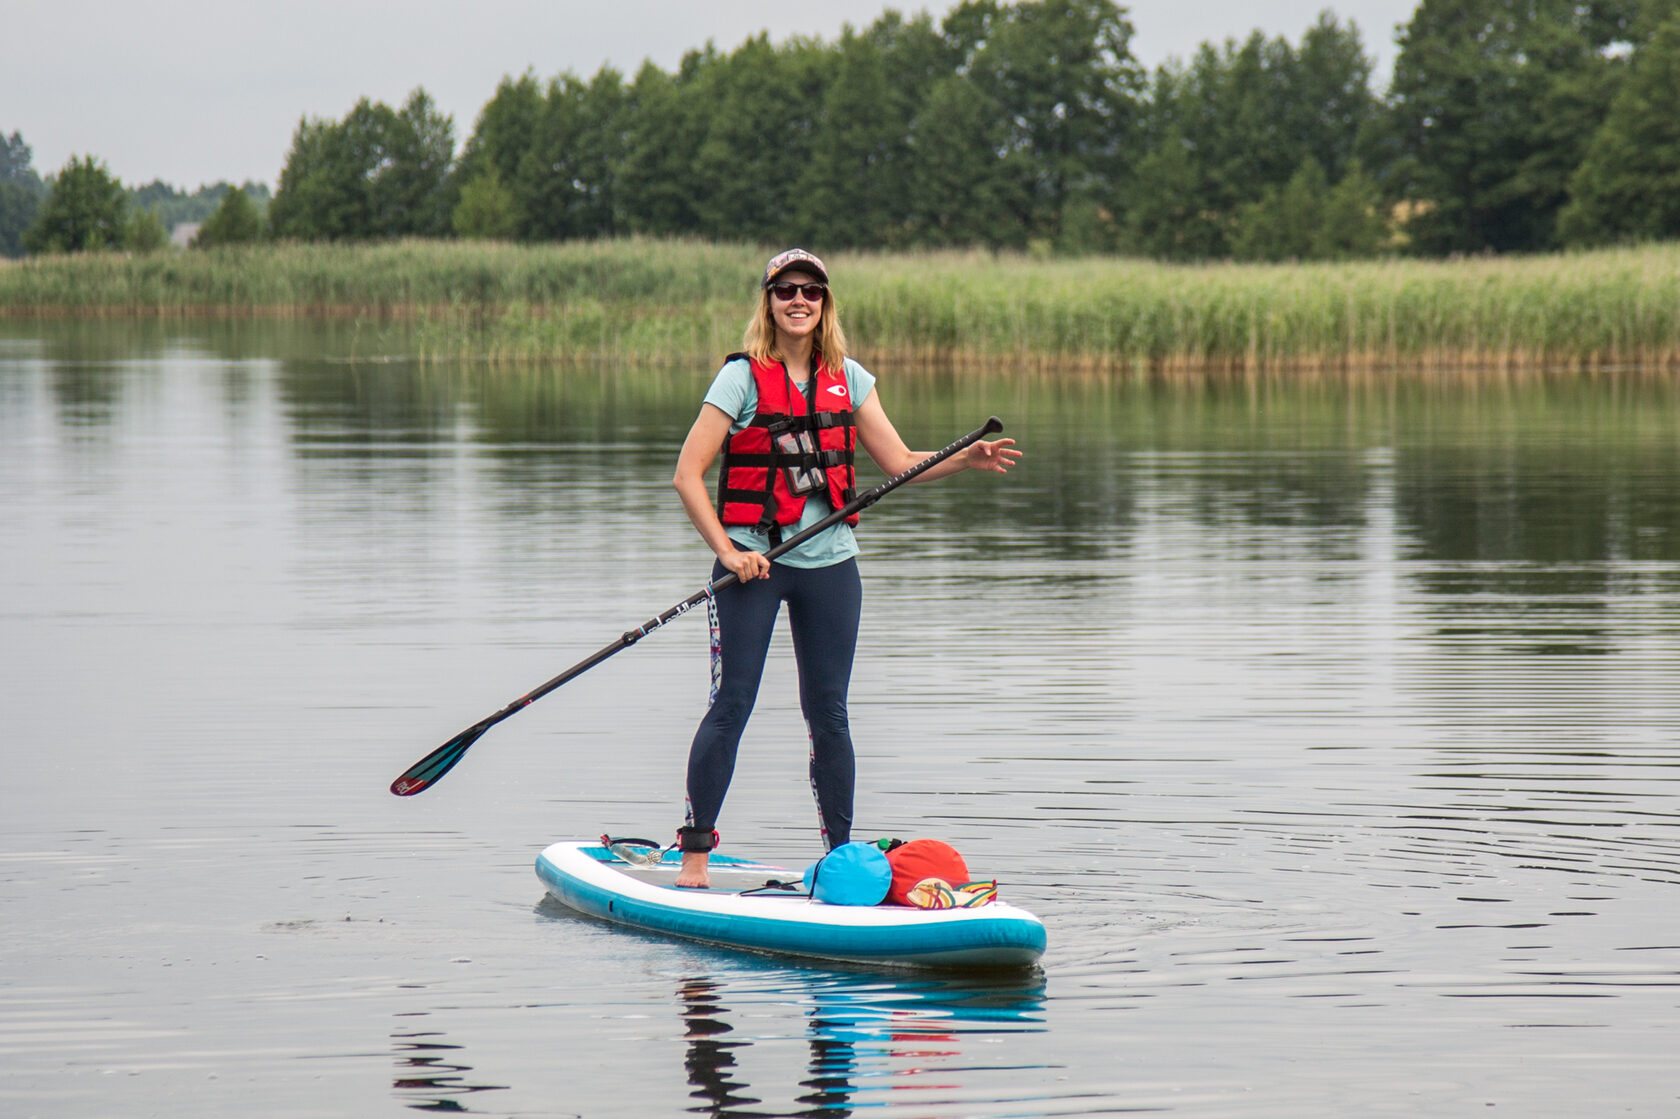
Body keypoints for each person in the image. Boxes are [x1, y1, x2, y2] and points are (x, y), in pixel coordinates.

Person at [670, 248, 1021, 888]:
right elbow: (686, 476)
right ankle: (695, 858)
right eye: (786, 291)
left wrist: (964, 458)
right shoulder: (741, 380)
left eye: (811, 291)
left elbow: (898, 462)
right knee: (732, 705)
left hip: (831, 567)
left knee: (829, 712)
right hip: (754, 565)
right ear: (769, 302)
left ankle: (841, 859)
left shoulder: (850, 378)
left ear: (825, 302)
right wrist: (728, 550)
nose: (798, 301)